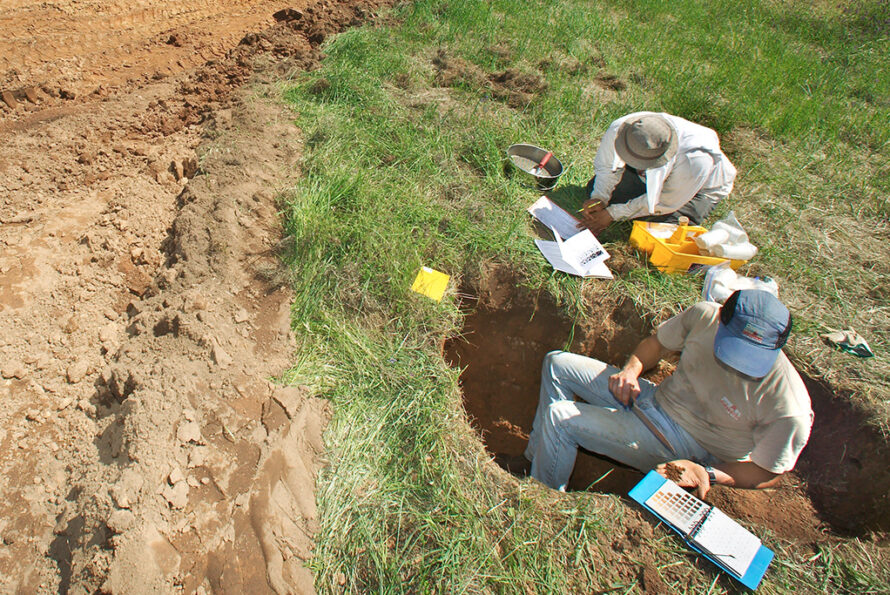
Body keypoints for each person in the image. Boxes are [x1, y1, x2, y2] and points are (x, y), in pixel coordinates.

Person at [523, 289, 813, 498]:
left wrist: (706, 472)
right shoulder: (705, 316)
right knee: (556, 363)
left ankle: (542, 499)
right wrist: (630, 371)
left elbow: (768, 472)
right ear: (722, 318)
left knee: (561, 417)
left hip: (685, 447)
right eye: (735, 348)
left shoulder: (788, 406)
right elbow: (655, 344)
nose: (740, 363)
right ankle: (538, 459)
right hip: (654, 401)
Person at [579, 112, 737, 235]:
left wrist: (611, 214)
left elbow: (664, 202)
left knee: (661, 231)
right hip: (645, 178)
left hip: (696, 190)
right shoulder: (623, 128)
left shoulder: (694, 160)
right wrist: (599, 198)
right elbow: (607, 168)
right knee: (594, 187)